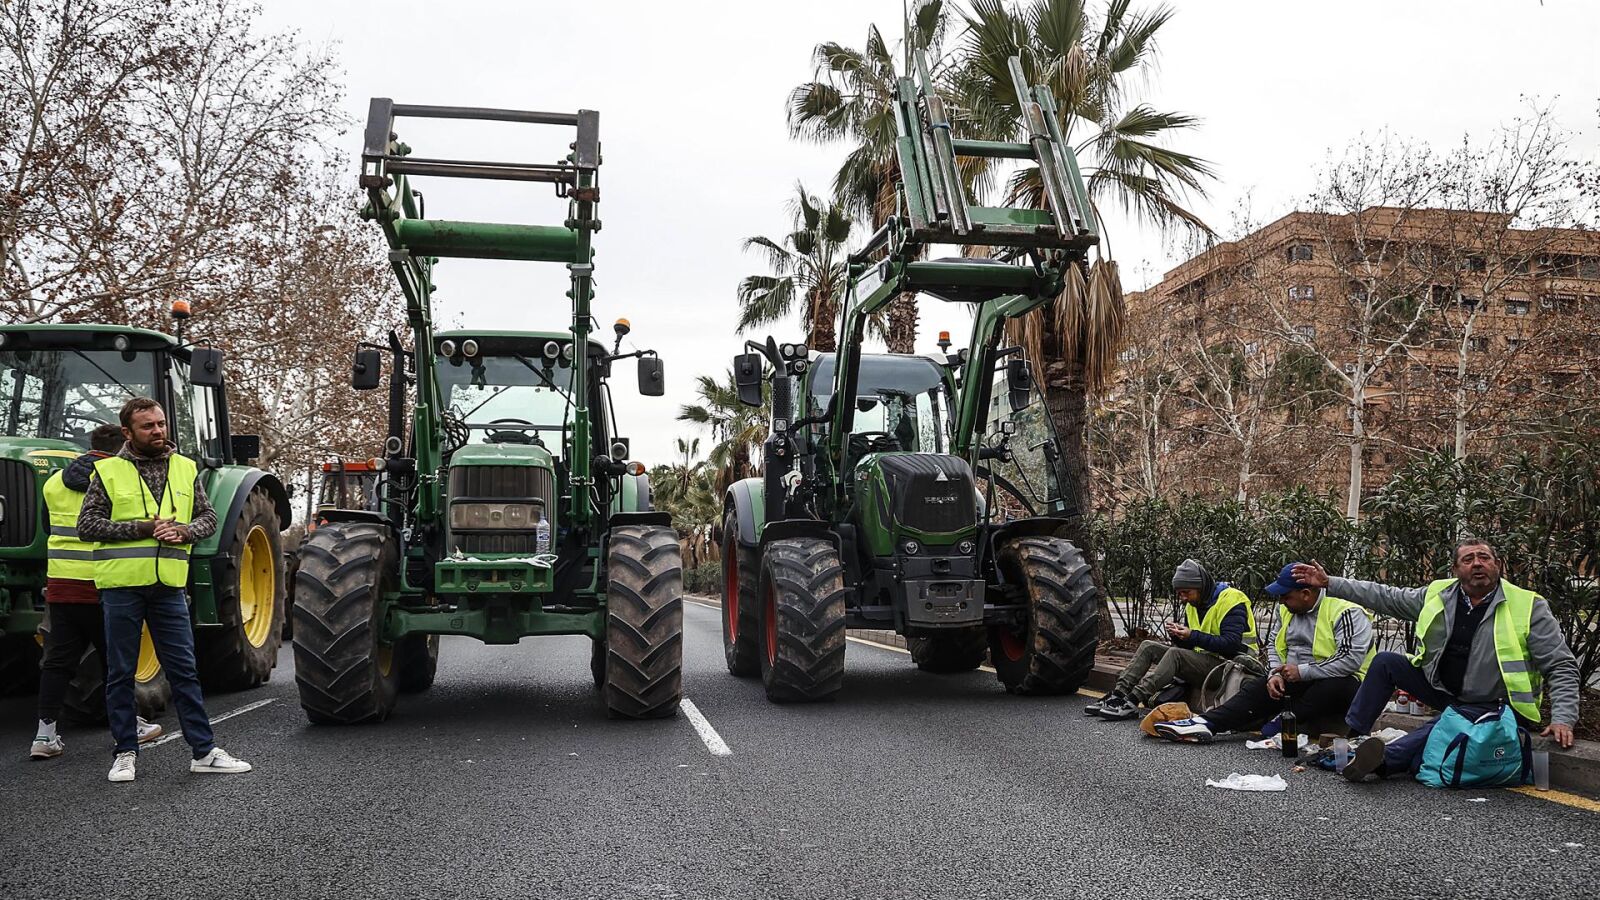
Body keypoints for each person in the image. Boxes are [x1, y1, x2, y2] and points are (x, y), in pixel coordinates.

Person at [1291, 540, 1579, 783]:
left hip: (1498, 706)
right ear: (1455, 570)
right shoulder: (1439, 594)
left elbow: (1560, 665)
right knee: (1386, 662)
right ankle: (1354, 736)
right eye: (1468, 559)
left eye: (1484, 558)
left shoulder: (1528, 605)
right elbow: (1386, 596)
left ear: (1497, 565)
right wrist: (1331, 583)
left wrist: (1563, 718)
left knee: (1443, 725)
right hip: (1447, 692)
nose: (1477, 564)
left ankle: (1383, 762)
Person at [78, 397, 251, 783]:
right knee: (121, 674)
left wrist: (185, 531)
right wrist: (141, 528)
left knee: (184, 671)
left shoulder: (185, 467)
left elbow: (208, 517)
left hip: (169, 588)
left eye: (160, 424)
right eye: (148, 426)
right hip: (122, 587)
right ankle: (125, 752)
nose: (157, 431)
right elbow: (87, 525)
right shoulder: (108, 472)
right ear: (128, 432)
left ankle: (204, 752)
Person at [30, 425, 163, 759]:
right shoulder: (120, 479)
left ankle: (45, 736)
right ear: (124, 446)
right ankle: (130, 725)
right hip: (107, 583)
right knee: (116, 661)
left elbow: (48, 528)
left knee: (58, 661)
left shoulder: (53, 482)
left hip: (62, 584)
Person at [1155, 562, 1372, 744]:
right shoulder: (1286, 610)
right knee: (1257, 689)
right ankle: (1206, 723)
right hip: (1300, 678)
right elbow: (1274, 645)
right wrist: (1274, 674)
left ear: (1306, 594)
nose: (1281, 602)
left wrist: (1302, 671)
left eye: (1285, 597)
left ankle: (1282, 722)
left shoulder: (1346, 611)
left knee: (1333, 686)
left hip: (1348, 683)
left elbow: (1349, 660)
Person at [1091, 559, 1260, 720]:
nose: (1183, 598)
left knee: (1175, 655)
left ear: (1201, 587)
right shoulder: (1192, 605)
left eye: (1187, 592)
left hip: (1232, 668)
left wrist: (1192, 635)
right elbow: (1192, 648)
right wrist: (1179, 636)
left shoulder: (1231, 600)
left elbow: (1231, 645)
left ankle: (1133, 700)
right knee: (1148, 646)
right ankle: (1118, 695)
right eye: (1179, 594)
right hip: (1207, 663)